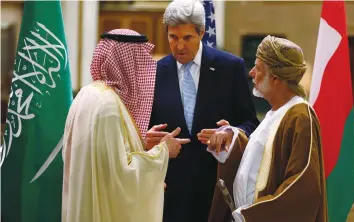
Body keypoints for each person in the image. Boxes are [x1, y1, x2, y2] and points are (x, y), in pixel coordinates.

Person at [145, 0, 260, 221]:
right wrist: (148, 139)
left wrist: (230, 133)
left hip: (216, 191)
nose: (179, 46)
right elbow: (145, 130)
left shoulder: (230, 68)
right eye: (173, 37)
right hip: (169, 194)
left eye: (187, 38)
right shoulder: (154, 73)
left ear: (201, 32)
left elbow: (250, 123)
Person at [61, 29, 190, 222]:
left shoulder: (88, 93)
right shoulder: (108, 106)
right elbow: (119, 175)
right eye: (139, 62)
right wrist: (163, 151)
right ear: (127, 63)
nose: (143, 70)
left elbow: (101, 159)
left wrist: (141, 141)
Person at [207, 35, 328, 222]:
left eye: (259, 68)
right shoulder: (274, 114)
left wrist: (252, 215)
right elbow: (261, 162)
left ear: (277, 78)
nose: (252, 73)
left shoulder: (300, 115)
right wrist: (232, 139)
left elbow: (303, 186)